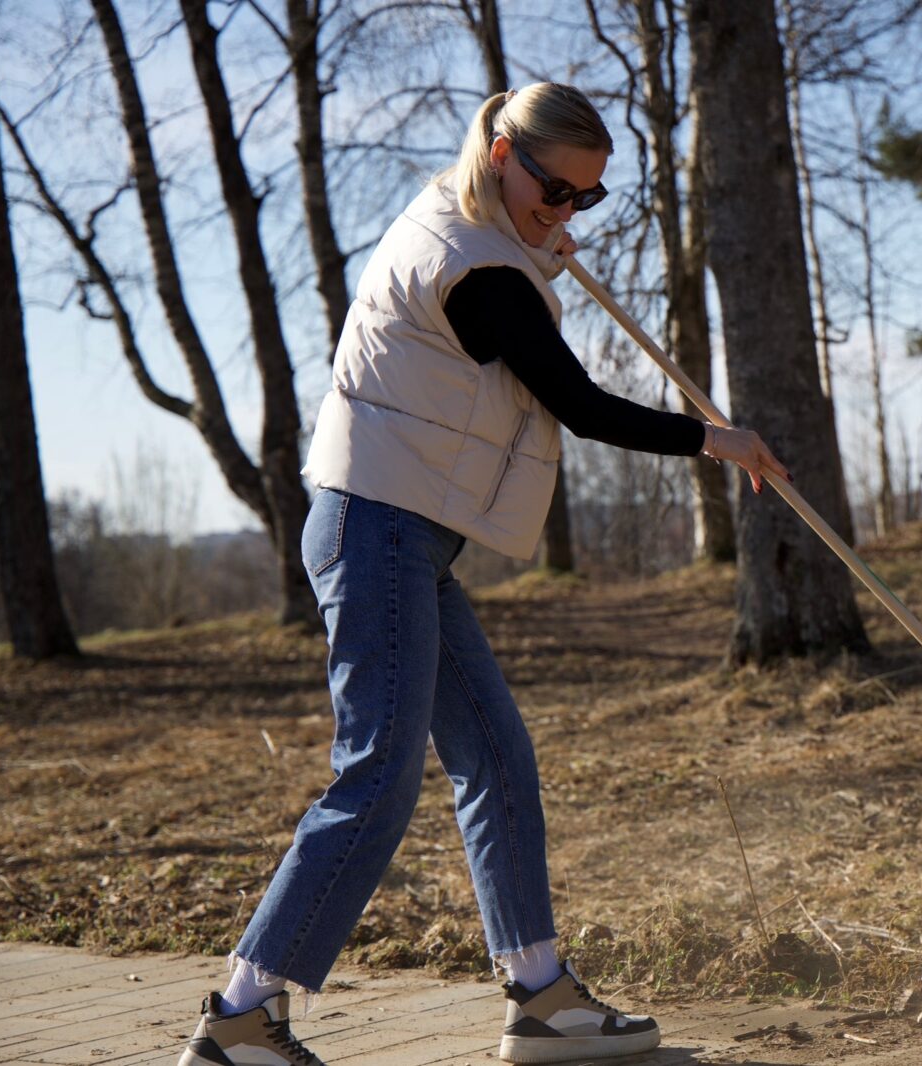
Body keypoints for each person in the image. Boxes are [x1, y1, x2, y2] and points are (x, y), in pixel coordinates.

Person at [177, 82, 787, 1066]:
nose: (564, 213)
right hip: (376, 525)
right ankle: (239, 1014)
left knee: (496, 757)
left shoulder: (466, 224)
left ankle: (540, 996)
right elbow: (580, 406)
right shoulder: (481, 271)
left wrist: (538, 241)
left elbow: (492, 297)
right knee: (375, 775)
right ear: (502, 153)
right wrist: (719, 440)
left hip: (405, 534)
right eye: (554, 190)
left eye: (584, 200)